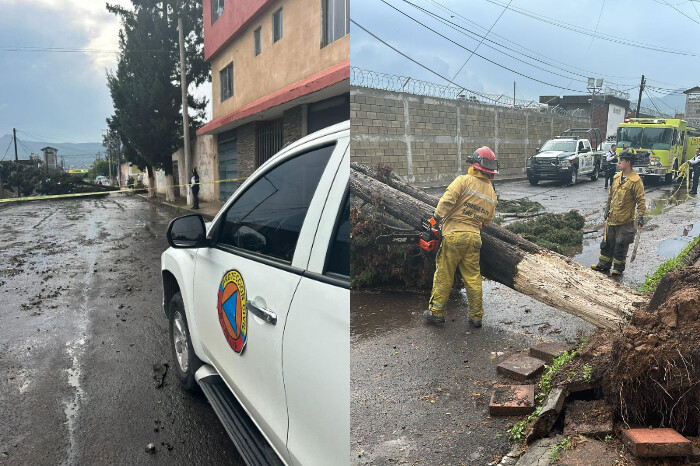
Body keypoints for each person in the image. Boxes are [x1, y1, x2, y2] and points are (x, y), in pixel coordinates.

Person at [424, 146, 498, 327]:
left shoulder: (463, 181)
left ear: (474, 164)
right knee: (473, 278)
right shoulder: (491, 193)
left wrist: (435, 219)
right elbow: (487, 220)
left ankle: (436, 312)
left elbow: (447, 201)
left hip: (454, 236)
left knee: (444, 274)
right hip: (474, 238)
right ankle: (476, 316)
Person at [591, 149, 646, 276]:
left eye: (621, 160)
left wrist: (641, 215)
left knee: (621, 244)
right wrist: (607, 208)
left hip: (625, 220)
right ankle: (603, 265)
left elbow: (641, 200)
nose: (618, 162)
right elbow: (610, 196)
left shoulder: (635, 181)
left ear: (628, 162)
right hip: (612, 218)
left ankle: (618, 268)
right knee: (607, 243)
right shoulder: (616, 177)